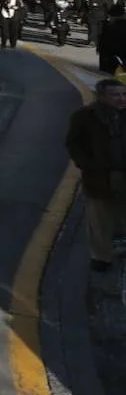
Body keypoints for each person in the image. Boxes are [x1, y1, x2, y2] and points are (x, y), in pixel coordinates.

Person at [65, 79, 126, 273]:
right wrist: (87, 164)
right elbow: (73, 143)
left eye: (124, 94)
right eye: (115, 95)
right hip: (100, 175)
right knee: (99, 216)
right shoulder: (85, 117)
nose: (121, 99)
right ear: (101, 96)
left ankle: (120, 240)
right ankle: (101, 256)